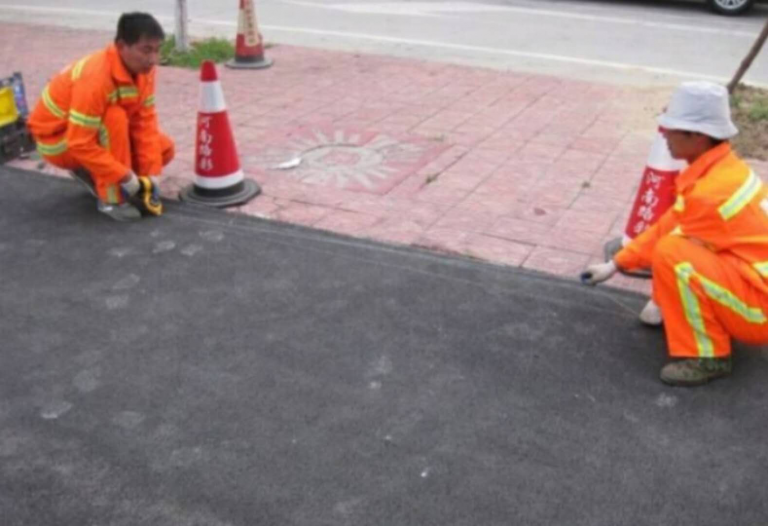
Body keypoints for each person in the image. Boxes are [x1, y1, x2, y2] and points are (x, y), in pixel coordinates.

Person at [582, 81, 768, 387]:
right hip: (755, 287)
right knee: (679, 246)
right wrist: (616, 264)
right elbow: (671, 223)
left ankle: (709, 357)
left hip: (759, 313)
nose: (665, 135)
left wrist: (617, 264)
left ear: (699, 136)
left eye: (672, 129)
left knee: (673, 253)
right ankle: (693, 315)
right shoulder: (724, 170)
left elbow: (667, 236)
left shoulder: (711, 193)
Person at [27, 12, 174, 221]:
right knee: (114, 119)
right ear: (121, 46)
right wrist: (125, 177)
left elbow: (144, 123)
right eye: (146, 50)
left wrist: (150, 177)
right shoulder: (95, 78)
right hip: (58, 142)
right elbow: (79, 143)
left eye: (157, 50)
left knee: (163, 149)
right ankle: (112, 201)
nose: (153, 59)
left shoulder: (143, 70)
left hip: (88, 134)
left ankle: (99, 172)